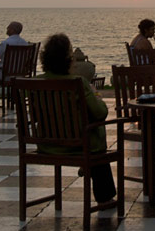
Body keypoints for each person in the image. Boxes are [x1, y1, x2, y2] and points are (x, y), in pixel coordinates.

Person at [35, 33, 116, 203]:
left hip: (47, 144)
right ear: (68, 59)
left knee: (89, 137)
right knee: (95, 139)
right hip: (80, 145)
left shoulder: (35, 83)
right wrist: (96, 96)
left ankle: (87, 169)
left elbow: (35, 115)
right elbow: (101, 113)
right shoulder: (79, 82)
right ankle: (105, 198)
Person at [0, 21, 28, 108]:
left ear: (13, 30)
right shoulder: (25, 43)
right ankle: (13, 98)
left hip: (5, 74)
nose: (7, 28)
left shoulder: (5, 43)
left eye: (8, 27)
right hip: (19, 75)